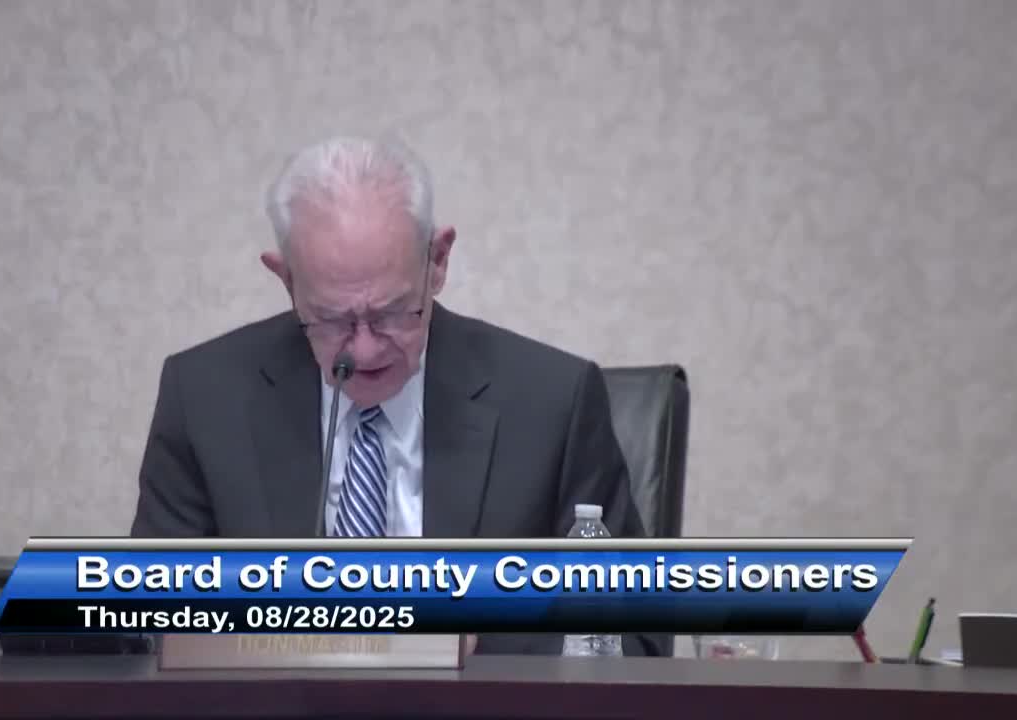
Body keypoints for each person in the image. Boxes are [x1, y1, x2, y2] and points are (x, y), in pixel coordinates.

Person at [131, 136, 658, 655]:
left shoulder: (552, 402)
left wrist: (450, 643)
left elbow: (632, 639)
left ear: (438, 261)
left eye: (391, 313)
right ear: (287, 280)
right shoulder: (204, 398)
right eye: (332, 319)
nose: (363, 350)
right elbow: (151, 624)